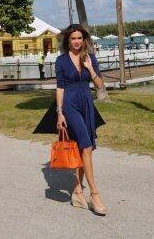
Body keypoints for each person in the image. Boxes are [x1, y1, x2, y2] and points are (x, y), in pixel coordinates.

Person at [33, 24, 106, 216]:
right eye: (73, 38)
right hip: (70, 105)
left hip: (87, 103)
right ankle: (95, 195)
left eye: (79, 38)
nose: (76, 41)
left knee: (83, 148)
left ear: (84, 40)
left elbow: (99, 85)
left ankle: (77, 191)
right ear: (68, 40)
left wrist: (90, 69)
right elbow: (60, 87)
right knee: (86, 146)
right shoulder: (62, 60)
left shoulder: (90, 58)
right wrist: (59, 113)